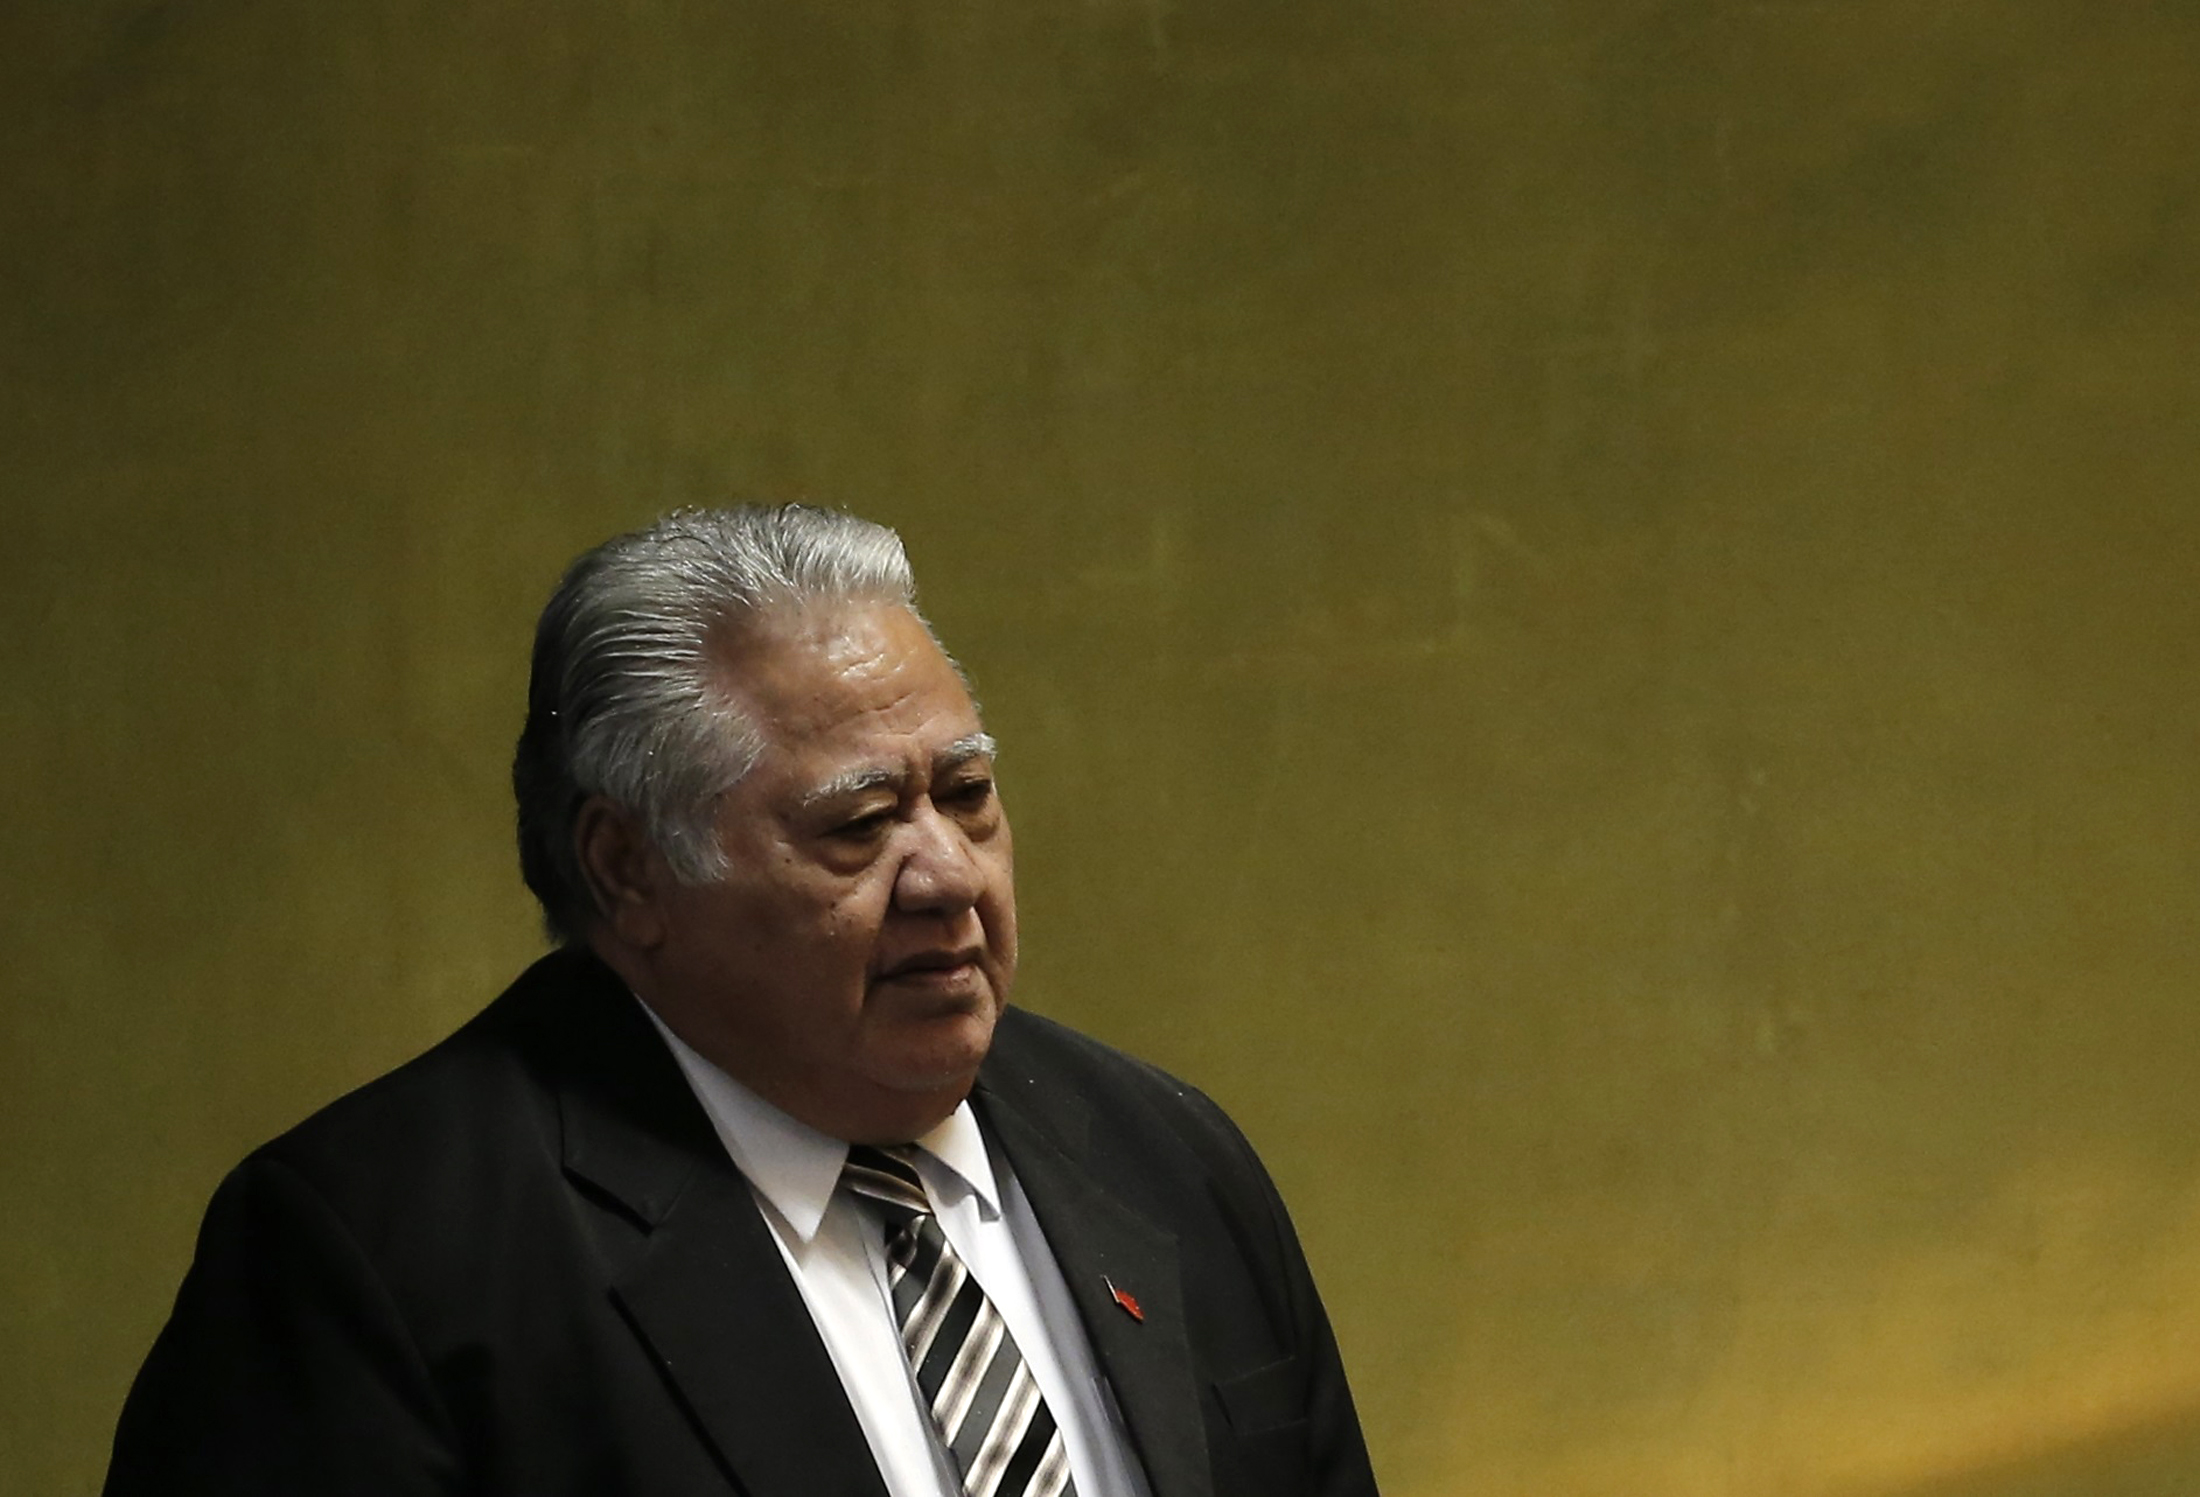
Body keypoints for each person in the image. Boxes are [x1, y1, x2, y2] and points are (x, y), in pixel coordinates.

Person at [105, 504, 1378, 1497]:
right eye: (860, 821)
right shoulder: (375, 1256)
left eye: (968, 795)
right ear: (628, 867)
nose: (944, 873)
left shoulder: (1166, 1158)